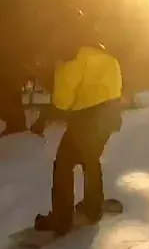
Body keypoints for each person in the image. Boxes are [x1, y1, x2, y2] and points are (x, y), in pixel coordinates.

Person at [31, 13, 124, 235]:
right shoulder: (106, 55)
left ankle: (61, 220)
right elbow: (117, 88)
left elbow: (62, 102)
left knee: (63, 165)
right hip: (109, 118)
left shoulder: (72, 60)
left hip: (86, 121)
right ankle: (92, 208)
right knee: (91, 160)